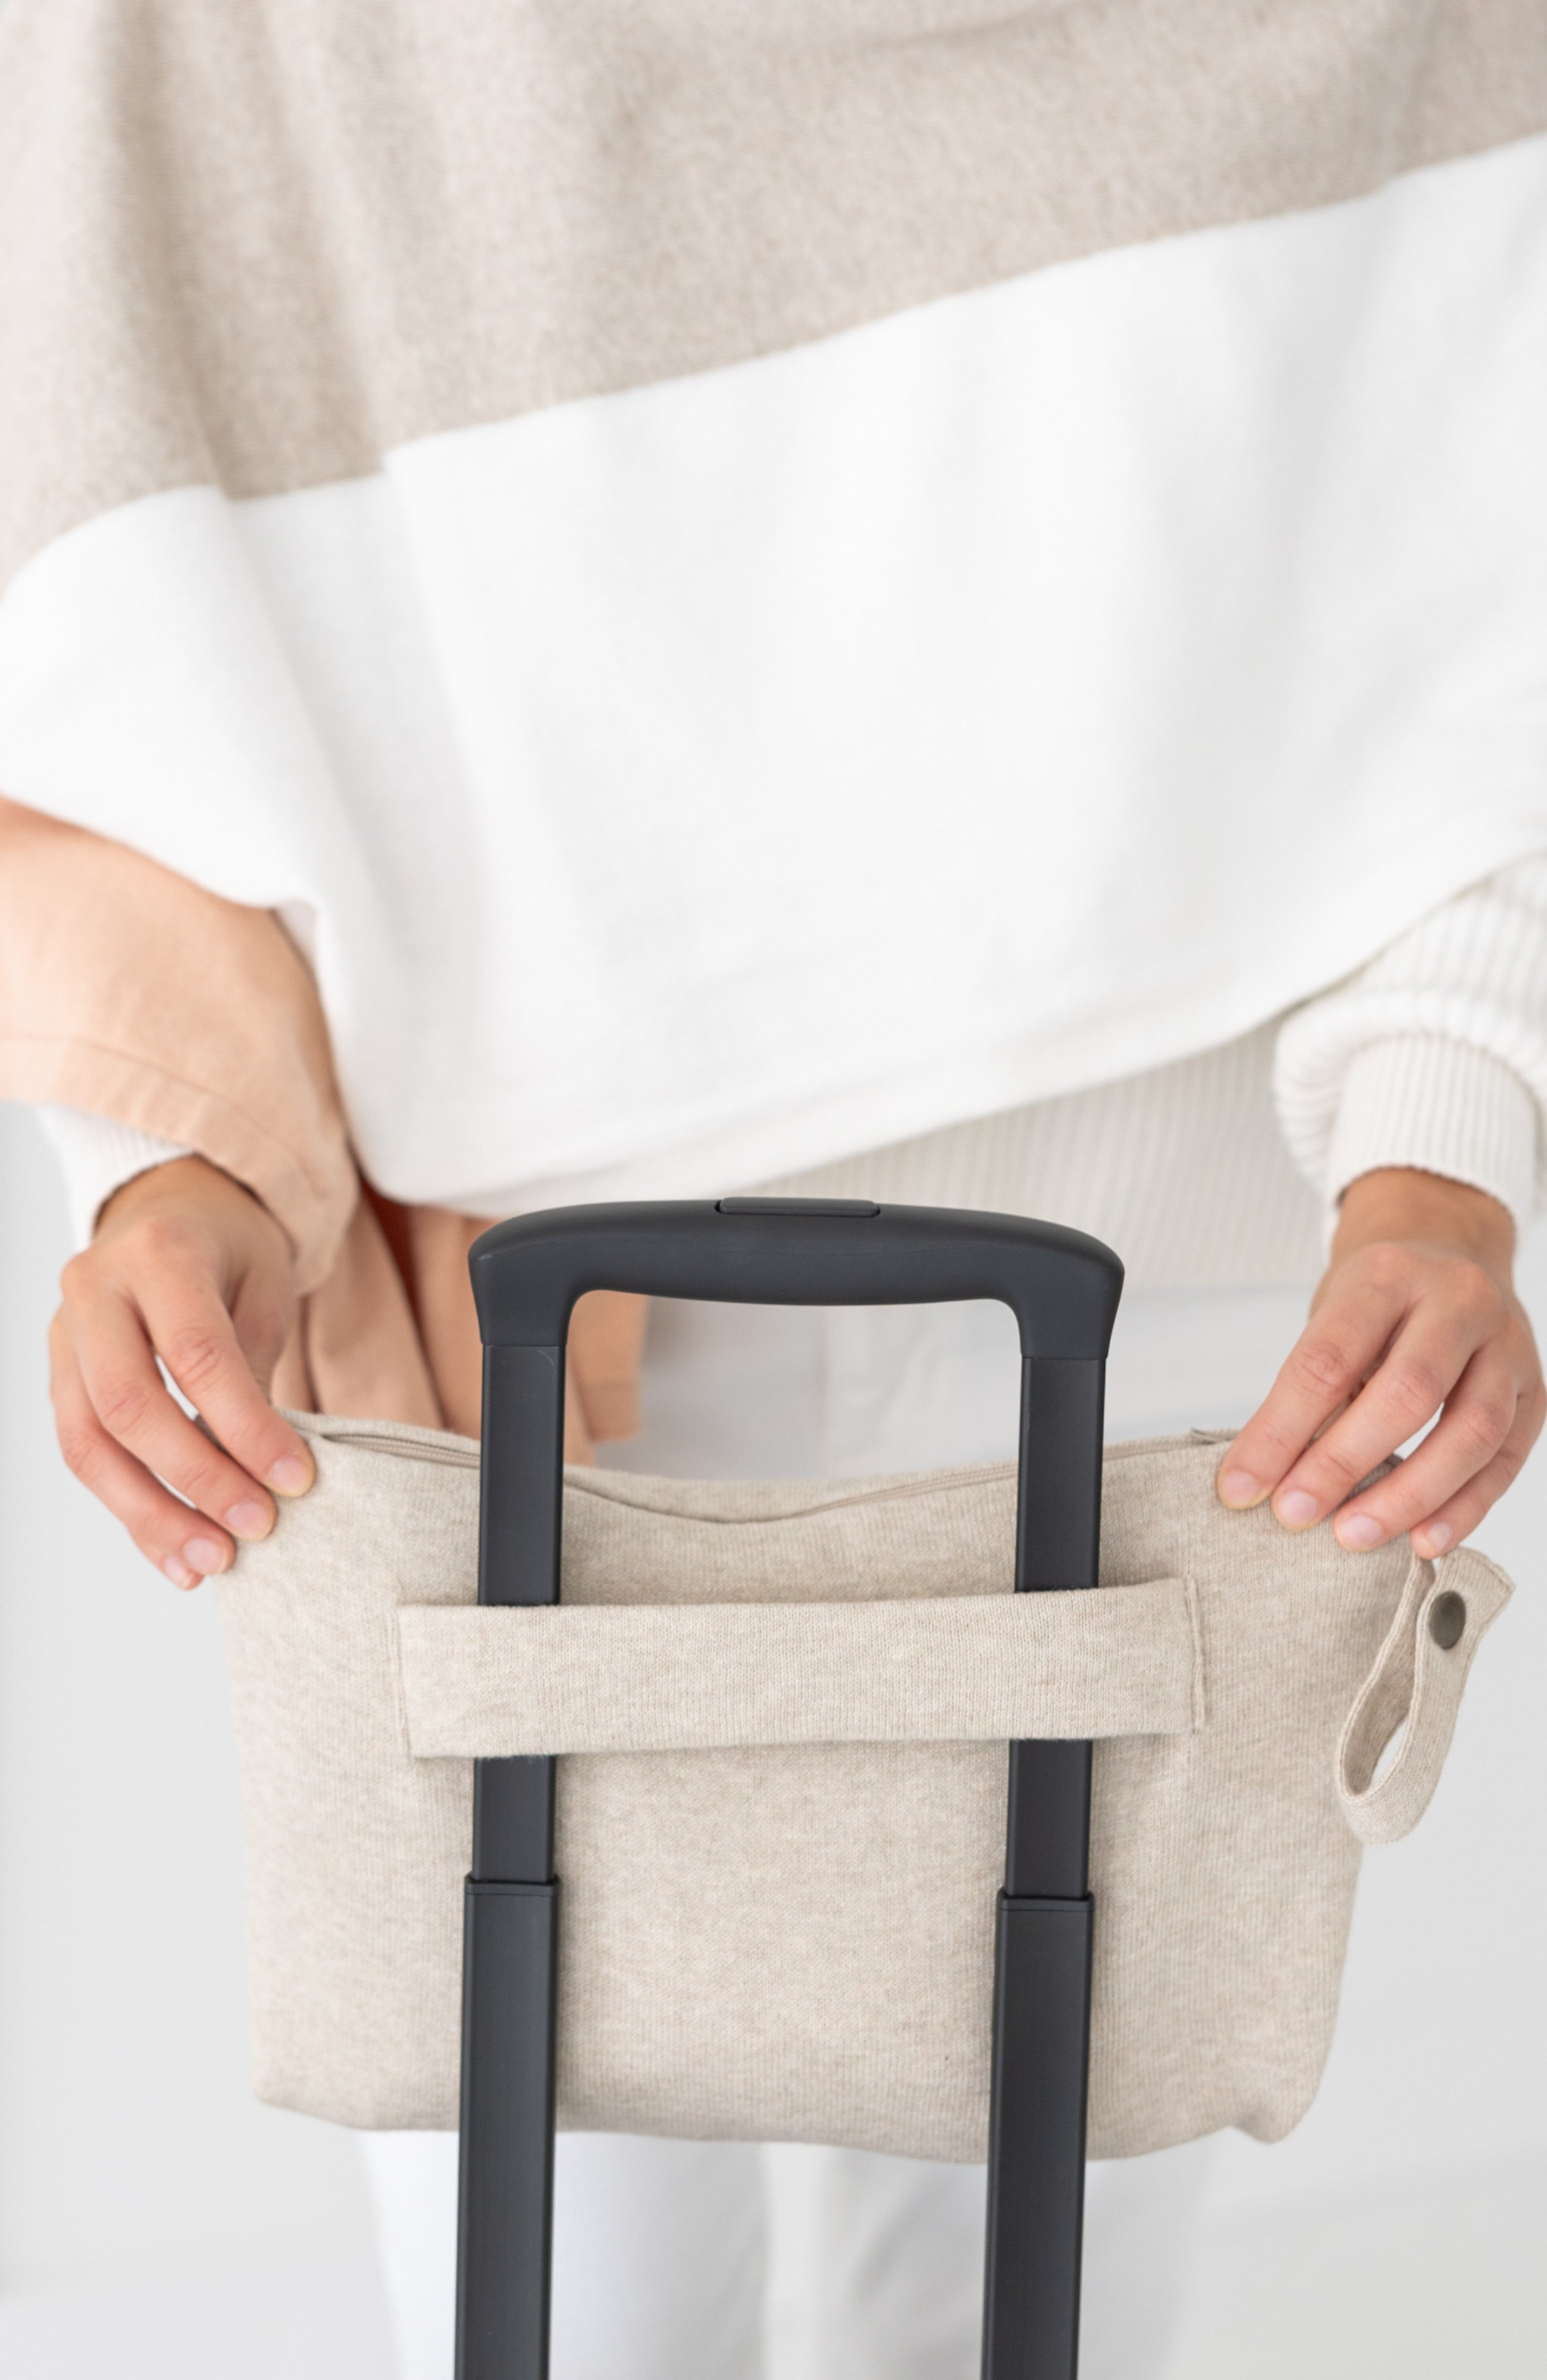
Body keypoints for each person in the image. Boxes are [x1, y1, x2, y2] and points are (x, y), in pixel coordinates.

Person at [1, 7, 1545, 2376]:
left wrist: (1442, 1149)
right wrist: (187, 1173)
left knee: (1024, 2310)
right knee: (567, 2319)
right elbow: (120, 536)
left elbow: (1471, 509)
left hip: (1189, 1332)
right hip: (519, 1350)